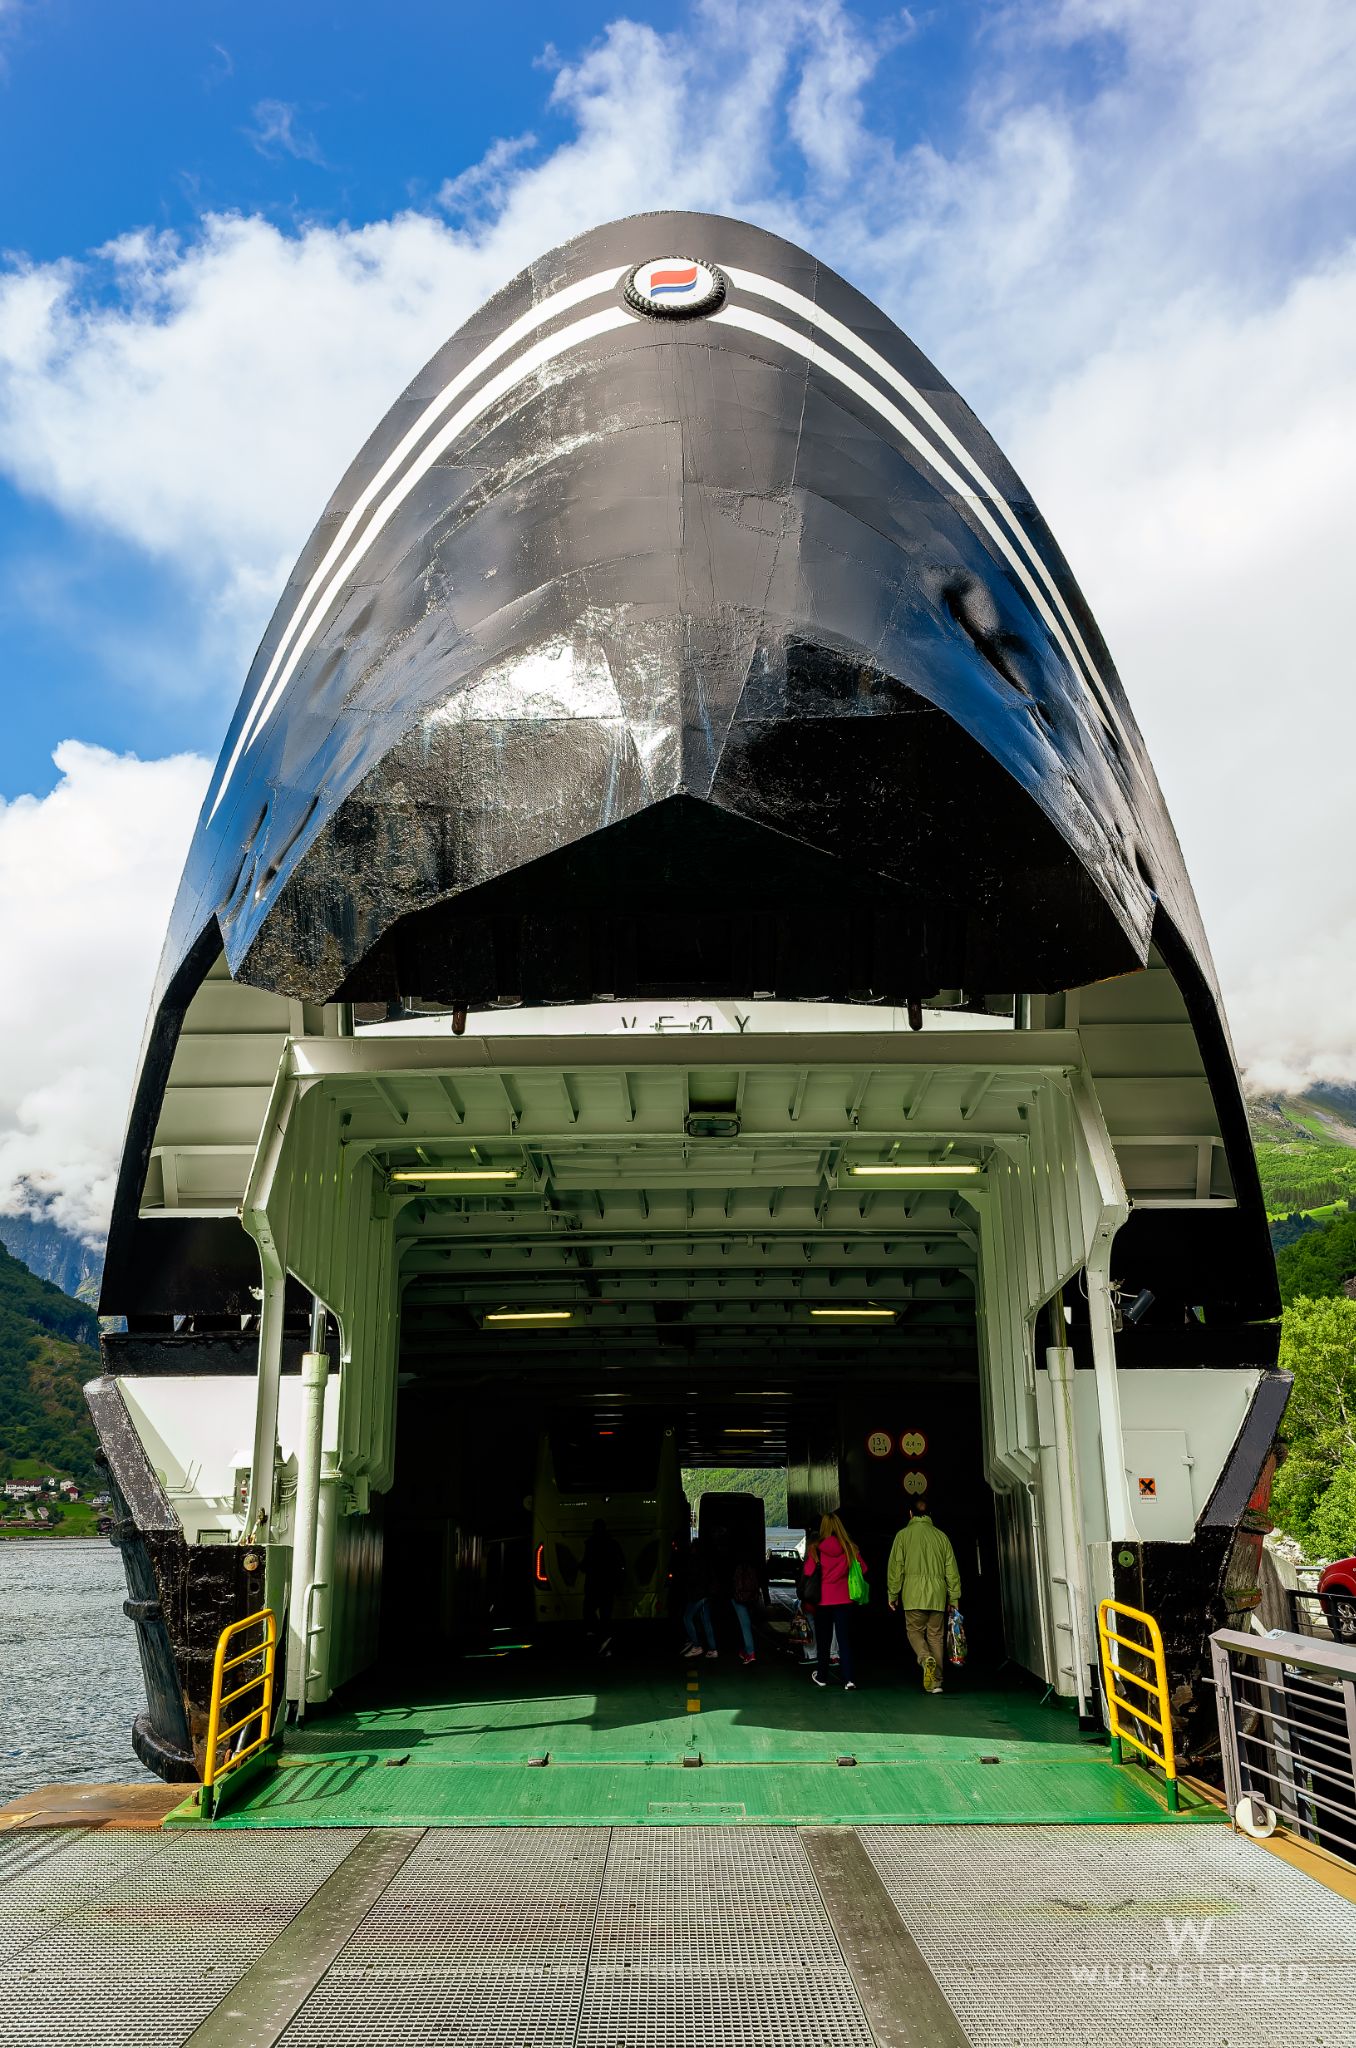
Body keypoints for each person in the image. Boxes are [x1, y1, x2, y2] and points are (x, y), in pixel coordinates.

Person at [887, 1499, 961, 1694]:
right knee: (936, 1636)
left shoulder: (902, 1536)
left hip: (913, 1594)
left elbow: (896, 1569)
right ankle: (936, 1682)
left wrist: (893, 1593)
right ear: (930, 1515)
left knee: (914, 1631)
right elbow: (951, 1571)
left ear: (910, 1514)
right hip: (937, 1595)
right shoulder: (941, 1537)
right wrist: (953, 1598)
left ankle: (924, 1657)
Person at [805, 1511, 865, 1691]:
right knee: (844, 1640)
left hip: (823, 1601)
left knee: (824, 1641)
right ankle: (849, 1680)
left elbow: (808, 1572)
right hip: (844, 1599)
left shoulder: (816, 1549)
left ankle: (822, 1676)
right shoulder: (849, 1547)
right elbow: (863, 1567)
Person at [582, 1516, 625, 1655]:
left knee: (589, 1611)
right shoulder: (612, 1544)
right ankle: (606, 1642)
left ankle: (599, 1638)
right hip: (607, 1585)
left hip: (594, 1585)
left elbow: (586, 1563)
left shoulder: (591, 1544)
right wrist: (618, 1584)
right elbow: (620, 1564)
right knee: (606, 1615)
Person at [679, 1534, 719, 1659]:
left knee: (687, 1618)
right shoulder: (707, 1559)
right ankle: (713, 1649)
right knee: (706, 1622)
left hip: (698, 1595)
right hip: (707, 1594)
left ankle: (696, 1645)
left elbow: (692, 1578)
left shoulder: (694, 1560)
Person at [731, 1550, 762, 1666]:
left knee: (744, 1626)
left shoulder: (737, 1566)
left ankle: (750, 1652)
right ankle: (747, 1650)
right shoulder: (752, 1566)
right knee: (747, 1624)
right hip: (751, 1597)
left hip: (739, 1597)